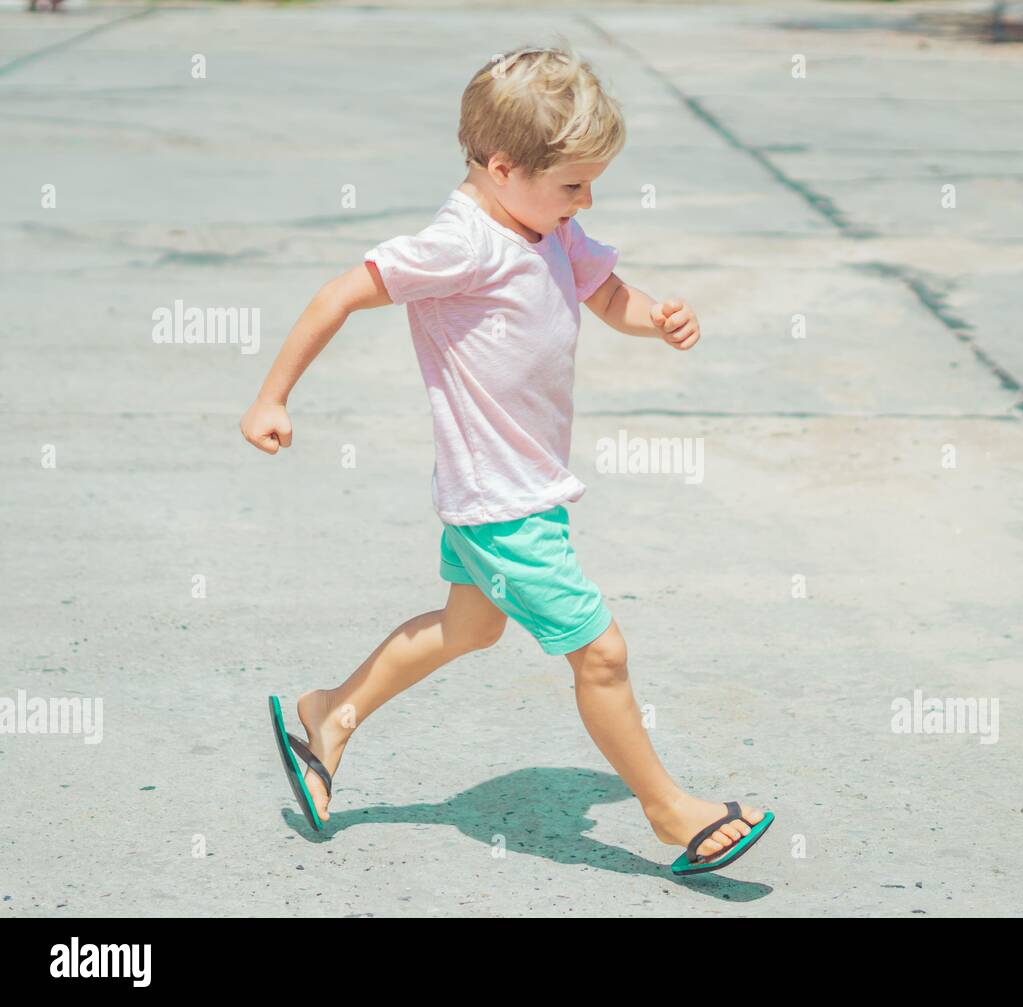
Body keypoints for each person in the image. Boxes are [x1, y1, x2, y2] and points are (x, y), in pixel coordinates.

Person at [244, 41, 772, 874]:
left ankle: (329, 713)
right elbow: (340, 292)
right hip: (504, 503)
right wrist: (273, 396)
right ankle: (671, 811)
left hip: (514, 490)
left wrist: (656, 318)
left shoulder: (547, 225)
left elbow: (603, 292)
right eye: (573, 185)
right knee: (601, 653)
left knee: (468, 626)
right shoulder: (462, 244)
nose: (586, 200)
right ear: (501, 167)